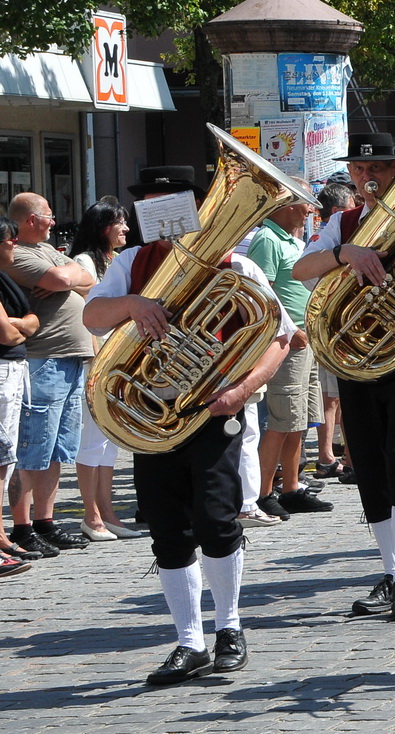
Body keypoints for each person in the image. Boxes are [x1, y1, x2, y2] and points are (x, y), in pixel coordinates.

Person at [83, 163, 294, 683]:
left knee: (217, 519)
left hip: (214, 408)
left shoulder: (238, 268)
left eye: (170, 200)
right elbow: (92, 316)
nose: (158, 210)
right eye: (150, 201)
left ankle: (230, 627)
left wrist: (242, 391)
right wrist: (133, 304)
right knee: (167, 528)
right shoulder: (131, 261)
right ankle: (188, 641)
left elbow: (280, 338)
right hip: (152, 411)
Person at [293, 132, 395, 621]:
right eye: (359, 169)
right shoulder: (343, 221)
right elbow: (301, 268)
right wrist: (344, 254)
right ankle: (392, 569)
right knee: (369, 466)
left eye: (377, 168)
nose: (367, 177)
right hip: (354, 355)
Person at [3, 194, 96, 558]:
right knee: (31, 447)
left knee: (58, 448)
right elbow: (62, 277)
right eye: (48, 216)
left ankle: (45, 522)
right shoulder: (20, 254)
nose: (54, 222)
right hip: (43, 360)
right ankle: (22, 526)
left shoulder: (46, 251)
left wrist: (68, 279)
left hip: (69, 358)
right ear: (29, 220)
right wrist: (67, 278)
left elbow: (86, 279)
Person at [243, 185, 333, 521]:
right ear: (287, 204)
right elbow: (258, 290)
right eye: (304, 202)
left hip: (303, 338)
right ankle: (265, 491)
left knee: (299, 419)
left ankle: (291, 486)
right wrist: (288, 328)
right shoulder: (268, 238)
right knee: (281, 419)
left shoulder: (290, 239)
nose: (311, 208)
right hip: (288, 340)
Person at [67, 202, 140, 540]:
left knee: (110, 439)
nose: (125, 228)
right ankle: (91, 513)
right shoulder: (84, 263)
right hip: (97, 361)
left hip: (118, 360)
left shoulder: (117, 260)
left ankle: (107, 509)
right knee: (92, 439)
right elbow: (86, 314)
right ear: (101, 227)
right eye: (118, 222)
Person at [0, 219, 41, 570]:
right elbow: (8, 335)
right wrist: (21, 324)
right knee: (0, 458)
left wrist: (22, 323)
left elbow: (33, 322)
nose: (15, 243)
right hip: (1, 372)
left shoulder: (6, 279)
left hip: (13, 372)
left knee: (7, 457)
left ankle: (0, 535)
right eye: (9, 238)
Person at [309, 180, 357, 481]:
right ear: (339, 210)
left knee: (335, 398)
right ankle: (336, 457)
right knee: (333, 398)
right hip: (335, 326)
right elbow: (307, 278)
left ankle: (339, 455)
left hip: (341, 326)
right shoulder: (326, 236)